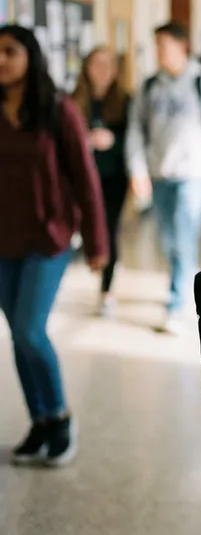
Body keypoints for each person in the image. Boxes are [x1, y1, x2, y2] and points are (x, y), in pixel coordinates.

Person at [0, 25, 107, 467]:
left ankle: (60, 417)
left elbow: (85, 180)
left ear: (31, 56)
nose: (1, 60)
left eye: (9, 51)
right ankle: (40, 422)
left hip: (49, 238)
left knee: (29, 330)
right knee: (18, 338)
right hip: (4, 239)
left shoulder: (58, 110)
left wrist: (99, 241)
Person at [126, 22, 201, 335]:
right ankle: (182, 291)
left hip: (194, 175)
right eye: (156, 45)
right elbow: (136, 131)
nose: (159, 51)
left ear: (181, 46)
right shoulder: (150, 87)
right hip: (160, 175)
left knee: (184, 234)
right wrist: (138, 171)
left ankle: (176, 303)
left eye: (164, 44)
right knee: (169, 239)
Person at [72, 46, 130, 317]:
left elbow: (134, 141)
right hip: (80, 178)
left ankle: (107, 290)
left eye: (108, 64)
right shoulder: (73, 101)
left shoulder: (125, 101)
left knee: (109, 231)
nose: (102, 70)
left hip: (113, 178)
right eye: (97, 64)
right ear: (86, 67)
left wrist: (113, 141)